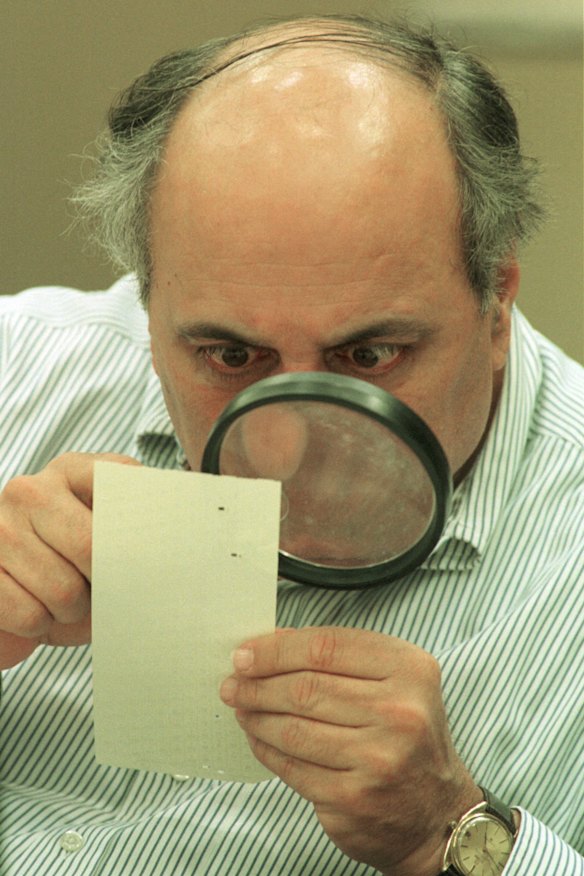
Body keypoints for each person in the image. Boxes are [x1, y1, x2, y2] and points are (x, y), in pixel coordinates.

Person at [0, 13, 582, 876]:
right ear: (148, 303)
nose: (284, 449)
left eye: (370, 357)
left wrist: (446, 833)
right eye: (230, 357)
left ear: (494, 302)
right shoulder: (18, 367)